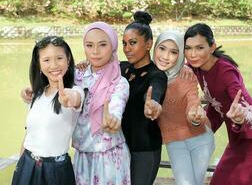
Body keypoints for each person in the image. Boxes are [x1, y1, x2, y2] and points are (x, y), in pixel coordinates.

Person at [184, 23, 252, 185]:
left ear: (212, 47)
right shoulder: (196, 66)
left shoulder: (226, 72)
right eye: (188, 48)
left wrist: (240, 116)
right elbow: (216, 104)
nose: (193, 54)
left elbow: (242, 104)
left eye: (199, 48)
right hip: (238, 137)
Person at [12, 36, 84, 185]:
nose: (54, 65)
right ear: (38, 64)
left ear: (68, 59)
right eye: (46, 60)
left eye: (59, 58)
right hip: (27, 164)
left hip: (56, 171)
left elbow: (74, 98)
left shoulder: (76, 90)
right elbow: (29, 135)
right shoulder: (37, 94)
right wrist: (19, 167)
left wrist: (67, 98)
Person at [153, 30, 215, 185]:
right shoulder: (146, 75)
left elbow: (193, 100)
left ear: (180, 55)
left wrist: (194, 115)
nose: (165, 56)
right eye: (162, 48)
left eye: (174, 52)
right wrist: (86, 65)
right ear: (154, 48)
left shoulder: (186, 76)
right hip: (174, 141)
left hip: (200, 138)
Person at [72, 21, 131, 184]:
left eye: (102, 45)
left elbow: (117, 103)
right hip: (82, 155)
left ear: (112, 46)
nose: (95, 51)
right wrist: (32, 94)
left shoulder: (119, 82)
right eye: (89, 45)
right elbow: (54, 86)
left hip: (109, 157)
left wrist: (113, 118)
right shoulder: (77, 76)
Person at [121, 11, 168, 185]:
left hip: (145, 151)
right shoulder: (122, 69)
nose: (127, 49)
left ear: (148, 44)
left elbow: (155, 92)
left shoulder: (157, 75)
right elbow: (98, 69)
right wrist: (85, 65)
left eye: (133, 43)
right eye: (124, 43)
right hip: (120, 148)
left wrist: (153, 105)